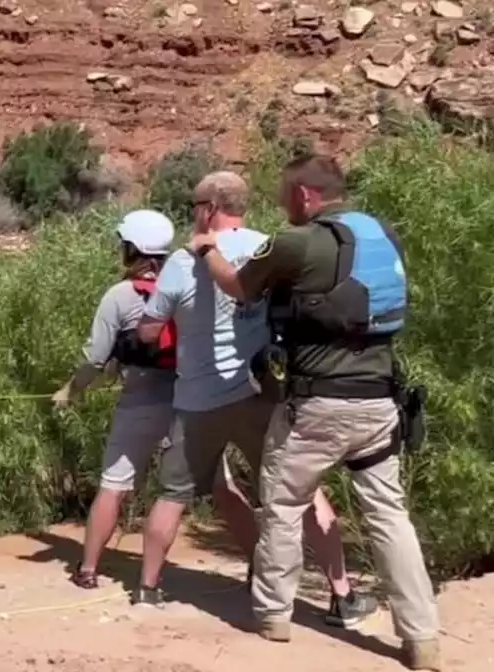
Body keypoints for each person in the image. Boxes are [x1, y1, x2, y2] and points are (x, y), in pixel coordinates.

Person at [193, 155, 439, 668]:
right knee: (390, 517)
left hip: (317, 406)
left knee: (283, 504)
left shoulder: (295, 242)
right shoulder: (382, 234)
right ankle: (422, 637)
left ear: (305, 195)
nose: (283, 203)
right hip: (379, 403)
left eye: (286, 194)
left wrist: (208, 251)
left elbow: (238, 286)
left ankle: (274, 617)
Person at [131, 171, 377, 629]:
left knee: (173, 494)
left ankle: (148, 588)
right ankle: (342, 595)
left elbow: (149, 329)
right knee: (301, 493)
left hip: (196, 400)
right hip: (259, 392)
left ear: (208, 208)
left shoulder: (181, 263)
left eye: (194, 206)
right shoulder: (272, 247)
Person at [52, 210, 182, 588]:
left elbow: (95, 357)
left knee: (115, 483)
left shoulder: (121, 296)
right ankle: (260, 565)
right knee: (217, 486)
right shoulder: (188, 287)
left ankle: (88, 570)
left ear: (132, 250)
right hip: (191, 398)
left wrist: (70, 390)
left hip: (141, 399)